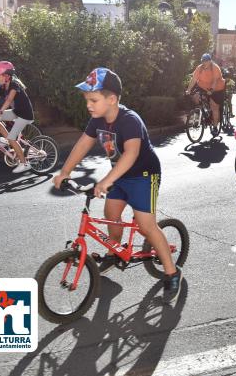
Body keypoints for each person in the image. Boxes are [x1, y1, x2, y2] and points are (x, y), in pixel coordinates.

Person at [53, 67, 182, 304]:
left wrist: (105, 181)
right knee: (111, 213)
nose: (88, 105)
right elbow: (83, 144)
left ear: (112, 99)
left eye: (93, 100)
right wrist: (65, 172)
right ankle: (115, 253)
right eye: (87, 100)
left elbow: (130, 155)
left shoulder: (130, 120)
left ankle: (172, 272)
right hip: (120, 176)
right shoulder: (97, 120)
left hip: (144, 175)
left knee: (146, 227)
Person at [0, 61, 34, 174]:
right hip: (16, 112)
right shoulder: (3, 86)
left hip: (24, 115)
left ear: (7, 76)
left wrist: (0, 112)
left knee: (11, 138)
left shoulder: (14, 84)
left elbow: (9, 100)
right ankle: (5, 141)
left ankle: (24, 163)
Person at [186, 54, 226, 137]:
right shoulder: (199, 68)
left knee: (214, 106)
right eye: (203, 61)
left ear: (210, 61)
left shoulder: (215, 68)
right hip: (203, 86)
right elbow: (193, 80)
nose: (204, 63)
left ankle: (215, 127)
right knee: (196, 96)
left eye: (206, 61)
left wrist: (211, 90)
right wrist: (189, 89)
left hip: (217, 88)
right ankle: (202, 111)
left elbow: (215, 81)